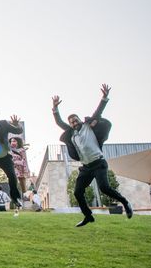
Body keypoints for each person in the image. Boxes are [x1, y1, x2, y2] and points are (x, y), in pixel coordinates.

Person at [52, 84, 133, 227]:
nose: (74, 123)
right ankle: (88, 216)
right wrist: (55, 108)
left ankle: (125, 202)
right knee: (77, 192)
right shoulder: (72, 133)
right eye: (71, 122)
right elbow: (59, 122)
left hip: (99, 163)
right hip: (86, 167)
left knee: (104, 188)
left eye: (76, 120)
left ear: (80, 120)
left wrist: (104, 97)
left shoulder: (88, 126)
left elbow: (98, 112)